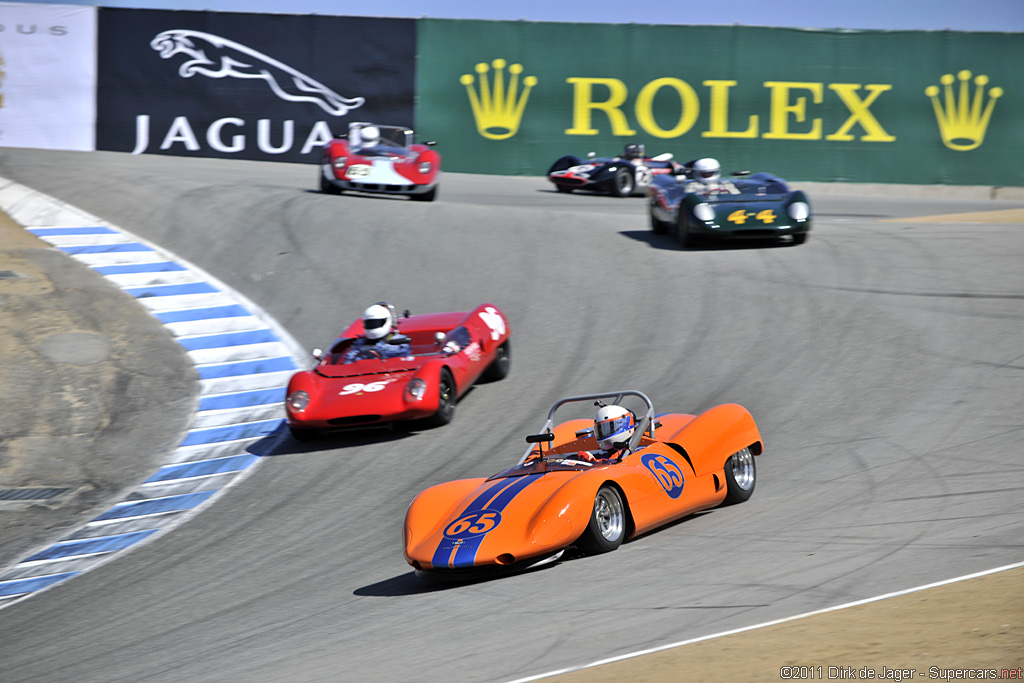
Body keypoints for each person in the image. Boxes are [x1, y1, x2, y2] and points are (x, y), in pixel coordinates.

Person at [342, 303, 411, 363]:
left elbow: (401, 355)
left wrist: (376, 349)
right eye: (370, 324)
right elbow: (349, 360)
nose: (372, 326)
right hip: (365, 372)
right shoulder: (360, 342)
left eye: (376, 323)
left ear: (386, 321)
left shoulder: (399, 340)